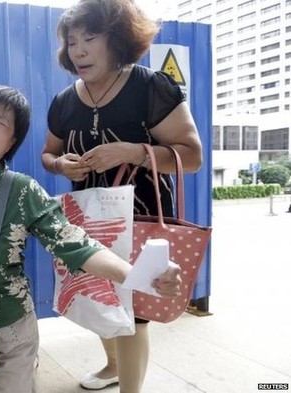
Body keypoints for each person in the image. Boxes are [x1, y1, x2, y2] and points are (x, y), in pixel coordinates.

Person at [0, 85, 183, 393]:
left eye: (1, 123)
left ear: (10, 143)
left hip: (7, 327)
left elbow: (74, 242)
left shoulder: (22, 192)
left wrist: (136, 274)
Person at [40, 0, 203, 392]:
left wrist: (133, 152)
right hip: (88, 220)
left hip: (142, 219)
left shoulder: (150, 87)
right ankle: (112, 365)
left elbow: (192, 156)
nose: (78, 50)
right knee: (99, 298)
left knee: (134, 310)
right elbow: (48, 154)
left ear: (118, 39)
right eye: (71, 41)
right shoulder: (64, 102)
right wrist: (62, 165)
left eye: (89, 39)